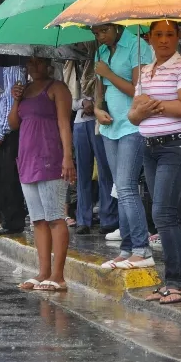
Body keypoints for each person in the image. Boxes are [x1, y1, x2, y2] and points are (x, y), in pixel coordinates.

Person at [129, 20, 181, 305]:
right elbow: (133, 116)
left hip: (176, 145)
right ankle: (171, 280)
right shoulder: (146, 71)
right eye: (158, 34)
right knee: (160, 215)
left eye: (170, 34)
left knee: (164, 213)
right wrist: (142, 109)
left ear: (177, 37)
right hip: (149, 146)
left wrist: (152, 105)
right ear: (148, 38)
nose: (164, 39)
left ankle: (178, 283)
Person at [11, 53, 75, 292]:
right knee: (38, 220)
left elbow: (64, 124)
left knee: (55, 218)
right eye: (30, 61)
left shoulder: (57, 88)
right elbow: (13, 123)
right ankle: (43, 272)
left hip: (50, 158)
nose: (34, 65)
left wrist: (68, 157)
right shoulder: (24, 90)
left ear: (49, 64)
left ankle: (58, 276)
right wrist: (16, 100)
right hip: (27, 161)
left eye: (39, 60)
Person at [93, 24, 154, 268]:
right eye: (96, 32)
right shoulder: (101, 52)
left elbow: (137, 91)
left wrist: (108, 73)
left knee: (127, 186)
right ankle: (127, 248)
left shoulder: (137, 46)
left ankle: (142, 248)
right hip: (110, 126)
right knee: (120, 187)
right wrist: (97, 110)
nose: (100, 36)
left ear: (117, 26)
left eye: (104, 30)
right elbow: (99, 93)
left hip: (132, 125)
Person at [72, 44, 118, 235]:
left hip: (103, 119)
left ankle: (109, 217)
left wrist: (97, 103)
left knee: (105, 170)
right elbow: (69, 96)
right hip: (80, 120)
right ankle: (83, 218)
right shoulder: (72, 63)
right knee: (82, 172)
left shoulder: (104, 57)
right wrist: (83, 103)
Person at [0, 65, 28, 236]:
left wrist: (1, 131)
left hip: (7, 129)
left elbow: (10, 103)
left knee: (8, 177)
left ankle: (12, 221)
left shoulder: (14, 69)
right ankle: (1, 218)